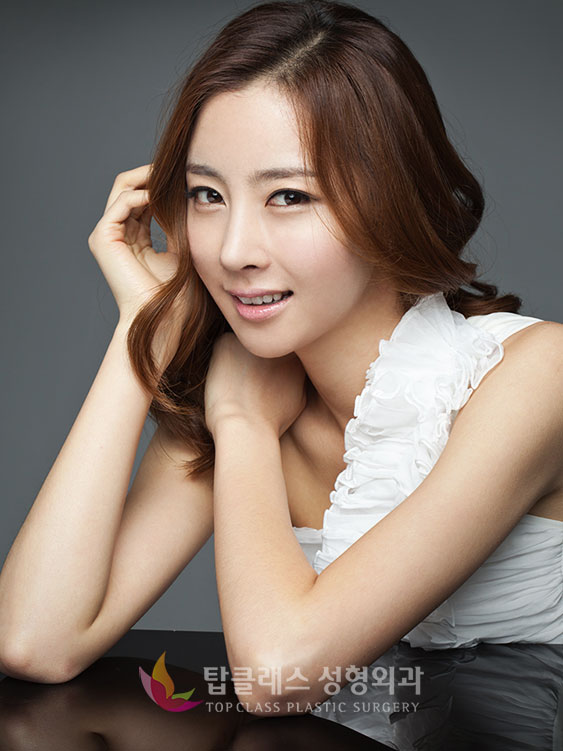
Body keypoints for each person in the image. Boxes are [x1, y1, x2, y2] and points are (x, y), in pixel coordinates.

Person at [0, 0, 561, 714]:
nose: (233, 251)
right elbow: (34, 640)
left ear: (391, 199)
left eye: (289, 196)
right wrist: (143, 327)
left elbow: (276, 678)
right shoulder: (243, 383)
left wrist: (241, 424)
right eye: (207, 195)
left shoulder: (535, 374)